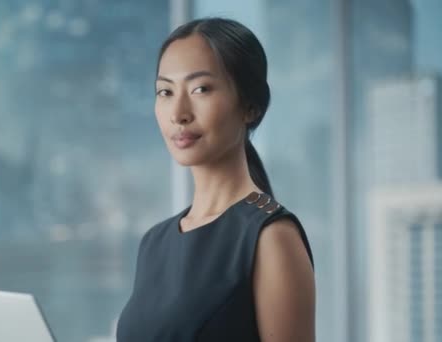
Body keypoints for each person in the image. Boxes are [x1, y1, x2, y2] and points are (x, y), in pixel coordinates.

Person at [116, 17, 316, 342]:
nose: (178, 112)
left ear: (249, 106)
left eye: (200, 89)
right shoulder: (153, 243)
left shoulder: (271, 237)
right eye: (165, 91)